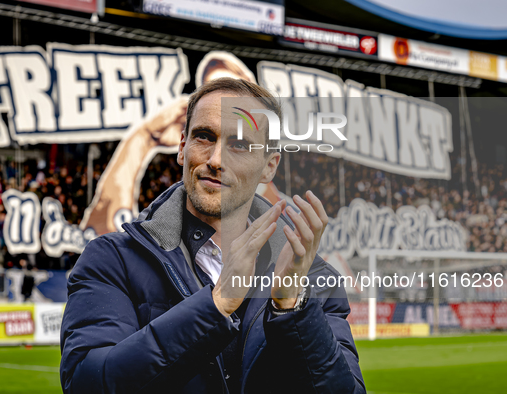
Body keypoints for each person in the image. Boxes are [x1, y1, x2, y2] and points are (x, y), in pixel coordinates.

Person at [60, 78, 365, 393]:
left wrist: (291, 308)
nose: (216, 160)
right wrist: (217, 304)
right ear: (182, 147)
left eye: (240, 145)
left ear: (269, 166)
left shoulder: (311, 277)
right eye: (204, 137)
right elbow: (87, 383)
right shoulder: (111, 260)